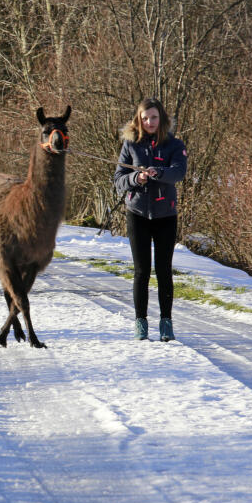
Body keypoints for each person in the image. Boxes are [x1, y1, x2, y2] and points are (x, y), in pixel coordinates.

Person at [112, 97, 187, 342]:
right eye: (145, 118)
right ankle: (141, 323)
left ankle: (166, 323)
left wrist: (159, 172)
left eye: (153, 117)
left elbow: (179, 172)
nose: (149, 122)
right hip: (138, 214)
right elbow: (119, 181)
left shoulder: (174, 144)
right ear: (138, 120)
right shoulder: (130, 145)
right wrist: (137, 179)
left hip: (166, 214)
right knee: (141, 271)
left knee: (164, 270)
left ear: (161, 118)